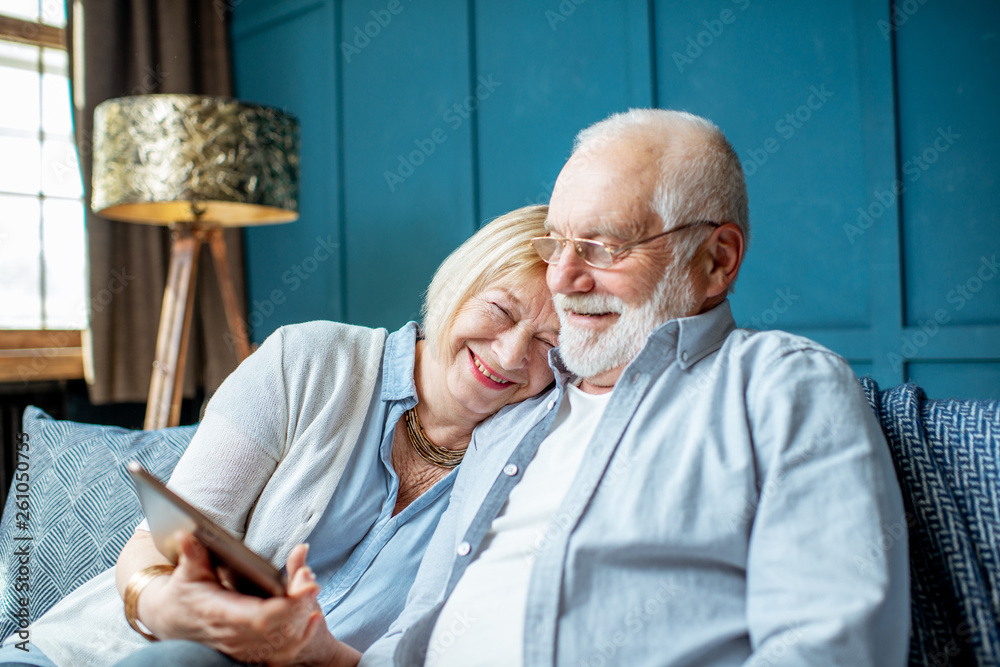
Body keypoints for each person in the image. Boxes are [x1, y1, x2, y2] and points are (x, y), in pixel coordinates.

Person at [354, 109, 910, 665]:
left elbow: (831, 645)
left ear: (717, 260)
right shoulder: (518, 411)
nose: (562, 278)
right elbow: (415, 628)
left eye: (603, 246)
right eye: (557, 243)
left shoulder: (781, 387)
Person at [0, 204, 559, 667]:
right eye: (500, 311)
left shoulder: (529, 464)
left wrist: (324, 656)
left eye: (547, 344)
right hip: (96, 650)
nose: (510, 355)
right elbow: (159, 541)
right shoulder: (309, 360)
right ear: (460, 286)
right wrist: (159, 601)